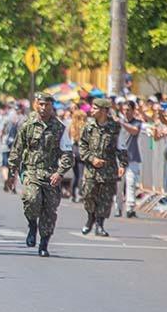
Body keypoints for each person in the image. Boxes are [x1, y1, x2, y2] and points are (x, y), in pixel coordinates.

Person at [7, 93, 73, 257]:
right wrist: (12, 173)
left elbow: (67, 153)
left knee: (49, 211)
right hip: (31, 171)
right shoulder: (27, 124)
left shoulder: (60, 128)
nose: (44, 108)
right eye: (41, 104)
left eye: (47, 105)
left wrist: (60, 172)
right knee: (31, 199)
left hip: (51, 174)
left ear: (52, 107)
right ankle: (32, 225)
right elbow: (17, 149)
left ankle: (44, 244)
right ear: (36, 104)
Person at [79, 98, 128, 237]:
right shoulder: (88, 127)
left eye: (95, 108)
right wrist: (91, 159)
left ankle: (100, 225)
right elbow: (82, 146)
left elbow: (121, 147)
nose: (91, 110)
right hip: (91, 168)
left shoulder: (115, 127)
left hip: (108, 168)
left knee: (105, 198)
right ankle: (90, 218)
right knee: (88, 195)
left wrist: (123, 164)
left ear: (103, 111)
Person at [118, 100, 142, 217]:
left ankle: (130, 209)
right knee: (118, 184)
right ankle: (118, 207)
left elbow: (134, 131)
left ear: (133, 111)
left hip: (132, 157)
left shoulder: (137, 122)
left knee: (131, 183)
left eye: (128, 110)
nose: (126, 112)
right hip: (119, 158)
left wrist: (122, 123)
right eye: (124, 110)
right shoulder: (118, 123)